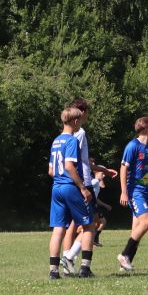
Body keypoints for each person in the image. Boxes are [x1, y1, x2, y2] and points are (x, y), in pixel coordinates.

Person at [59, 97, 116, 272]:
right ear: (82, 112)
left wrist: (103, 170)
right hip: (82, 181)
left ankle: (68, 264)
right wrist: (83, 185)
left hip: (69, 180)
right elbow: (78, 162)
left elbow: (82, 161)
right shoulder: (80, 132)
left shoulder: (64, 134)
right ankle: (72, 259)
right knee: (91, 223)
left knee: (73, 224)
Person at [47, 107, 94, 279]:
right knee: (89, 226)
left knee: (58, 228)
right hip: (70, 187)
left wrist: (61, 180)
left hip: (56, 188)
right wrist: (82, 187)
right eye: (80, 121)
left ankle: (53, 271)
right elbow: (69, 166)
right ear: (75, 121)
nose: (81, 124)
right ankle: (85, 269)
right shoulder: (72, 140)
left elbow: (51, 171)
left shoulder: (56, 141)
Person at [117, 117, 148, 272]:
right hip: (135, 192)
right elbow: (123, 168)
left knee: (137, 229)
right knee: (146, 222)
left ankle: (125, 263)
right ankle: (124, 255)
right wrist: (124, 192)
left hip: (145, 192)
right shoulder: (132, 146)